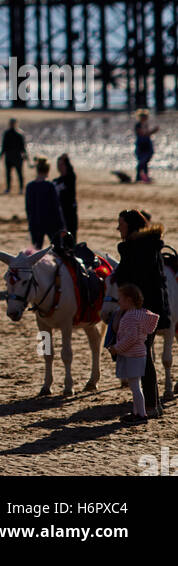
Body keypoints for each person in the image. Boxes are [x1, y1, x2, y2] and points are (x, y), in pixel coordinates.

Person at [112, 209, 170, 418]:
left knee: (142, 357)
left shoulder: (134, 250)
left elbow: (134, 283)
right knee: (145, 355)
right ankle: (153, 405)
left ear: (131, 226)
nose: (118, 228)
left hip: (140, 311)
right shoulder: (150, 247)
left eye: (121, 224)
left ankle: (150, 408)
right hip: (153, 310)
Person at [108, 283, 160, 425]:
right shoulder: (141, 314)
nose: (118, 301)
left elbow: (131, 338)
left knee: (135, 387)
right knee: (136, 385)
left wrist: (116, 348)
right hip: (139, 354)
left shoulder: (130, 317)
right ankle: (137, 412)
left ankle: (141, 415)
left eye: (121, 298)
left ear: (129, 300)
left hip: (133, 356)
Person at [25, 158, 66, 248]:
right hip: (51, 222)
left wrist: (30, 222)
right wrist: (62, 226)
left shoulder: (30, 186)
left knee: (36, 252)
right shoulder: (50, 186)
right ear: (48, 170)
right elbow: (56, 207)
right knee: (58, 249)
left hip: (35, 222)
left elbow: (28, 208)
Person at [0, 118, 28, 194]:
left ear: (16, 124)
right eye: (11, 123)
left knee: (19, 173)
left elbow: (23, 147)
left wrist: (25, 155)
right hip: (9, 156)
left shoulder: (19, 133)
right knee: (8, 174)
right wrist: (1, 153)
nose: (11, 124)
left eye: (13, 123)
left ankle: (21, 188)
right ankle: (8, 188)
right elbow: (4, 145)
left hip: (17, 157)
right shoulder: (7, 133)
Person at [54, 154, 78, 241]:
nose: (59, 167)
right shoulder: (56, 181)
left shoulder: (71, 177)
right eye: (58, 165)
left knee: (71, 235)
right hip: (60, 211)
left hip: (70, 210)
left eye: (61, 164)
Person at [134, 110, 159, 183]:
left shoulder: (145, 124)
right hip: (141, 145)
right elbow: (142, 134)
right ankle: (139, 177)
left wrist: (152, 132)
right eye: (143, 116)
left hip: (147, 144)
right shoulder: (138, 125)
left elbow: (146, 134)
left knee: (145, 162)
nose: (144, 118)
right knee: (142, 161)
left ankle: (144, 177)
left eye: (145, 116)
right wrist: (153, 131)